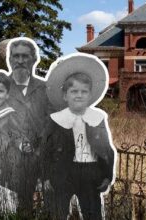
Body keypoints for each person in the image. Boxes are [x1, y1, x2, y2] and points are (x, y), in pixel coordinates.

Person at [42, 54, 115, 219]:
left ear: (90, 96)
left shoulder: (97, 118)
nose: (79, 95)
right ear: (65, 95)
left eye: (84, 91)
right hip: (63, 171)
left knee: (92, 212)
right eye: (73, 91)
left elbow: (106, 149)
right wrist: (46, 177)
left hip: (91, 171)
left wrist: (107, 175)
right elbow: (46, 150)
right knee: (58, 212)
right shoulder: (56, 120)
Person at [5, 37, 53, 214]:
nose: (20, 61)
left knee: (50, 205)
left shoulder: (45, 88)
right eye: (15, 56)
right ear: (10, 60)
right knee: (20, 207)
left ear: (33, 60)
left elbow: (53, 120)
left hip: (43, 156)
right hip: (12, 160)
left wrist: (42, 144)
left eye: (25, 56)